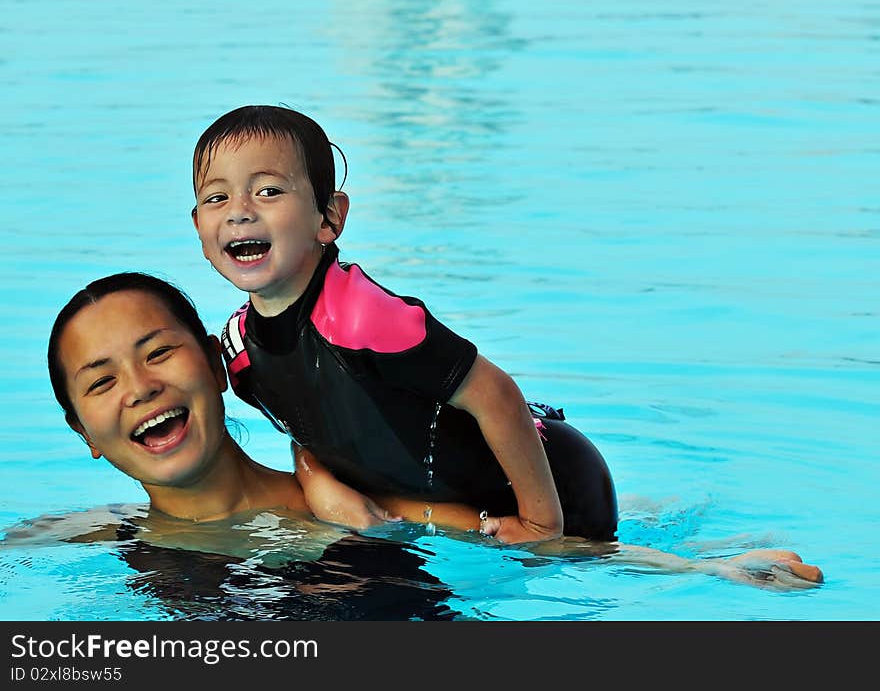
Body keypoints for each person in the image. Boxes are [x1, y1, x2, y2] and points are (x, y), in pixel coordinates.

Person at [43, 272, 822, 589]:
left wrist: (702, 576)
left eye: (158, 354)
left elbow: (541, 548)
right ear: (82, 431)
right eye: (102, 381)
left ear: (217, 367)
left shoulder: (345, 503)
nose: (140, 389)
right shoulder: (97, 533)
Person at [190, 104, 616, 544]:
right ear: (199, 227)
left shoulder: (362, 317)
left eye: (269, 191)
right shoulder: (242, 352)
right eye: (217, 198)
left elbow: (496, 393)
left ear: (330, 218)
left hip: (558, 486)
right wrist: (314, 476)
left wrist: (542, 526)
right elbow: (307, 421)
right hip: (462, 506)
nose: (239, 212)